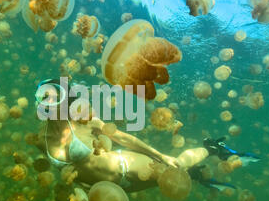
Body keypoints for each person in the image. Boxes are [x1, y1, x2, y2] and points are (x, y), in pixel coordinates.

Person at [32, 79, 201, 193]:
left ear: (65, 99)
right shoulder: (41, 139)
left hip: (126, 168)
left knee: (176, 168)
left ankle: (210, 148)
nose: (48, 102)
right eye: (43, 97)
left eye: (54, 97)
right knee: (175, 180)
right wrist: (84, 186)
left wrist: (160, 155)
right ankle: (197, 174)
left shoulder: (83, 120)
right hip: (109, 189)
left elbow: (123, 138)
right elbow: (66, 170)